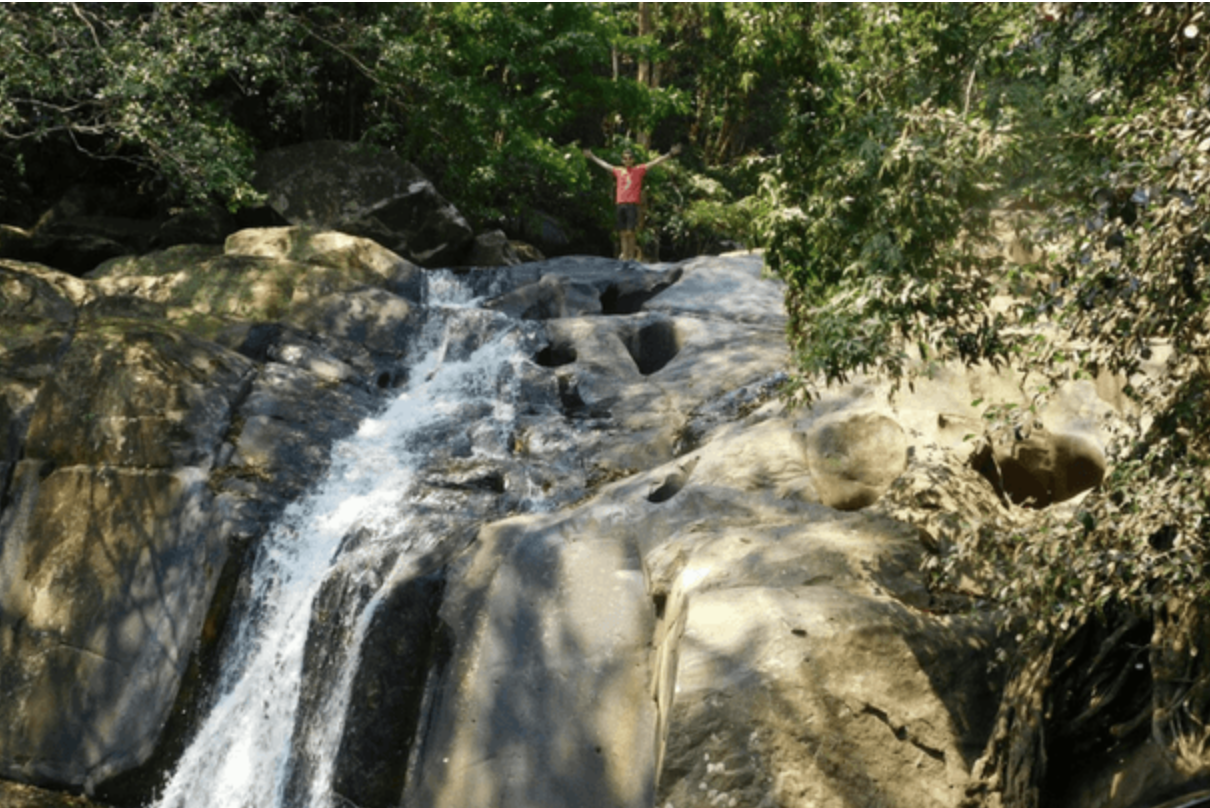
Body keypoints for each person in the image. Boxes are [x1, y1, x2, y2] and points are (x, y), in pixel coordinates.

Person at [583, 144, 681, 262]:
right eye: (625, 158)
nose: (627, 160)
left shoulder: (638, 170)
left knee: (631, 231)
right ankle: (625, 255)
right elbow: (605, 165)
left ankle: (631, 256)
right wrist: (592, 156)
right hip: (620, 204)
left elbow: (655, 162)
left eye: (630, 158)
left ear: (633, 160)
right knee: (622, 232)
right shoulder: (619, 171)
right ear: (622, 160)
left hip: (631, 204)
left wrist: (669, 154)